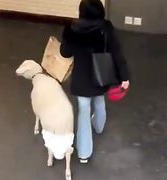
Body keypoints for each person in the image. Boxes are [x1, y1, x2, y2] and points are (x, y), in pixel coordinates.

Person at [60, 0, 130, 163]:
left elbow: (65, 53)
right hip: (101, 76)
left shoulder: (71, 29)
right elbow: (117, 53)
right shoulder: (106, 28)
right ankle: (98, 127)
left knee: (83, 112)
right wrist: (124, 77)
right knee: (99, 101)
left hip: (82, 78)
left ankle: (84, 153)